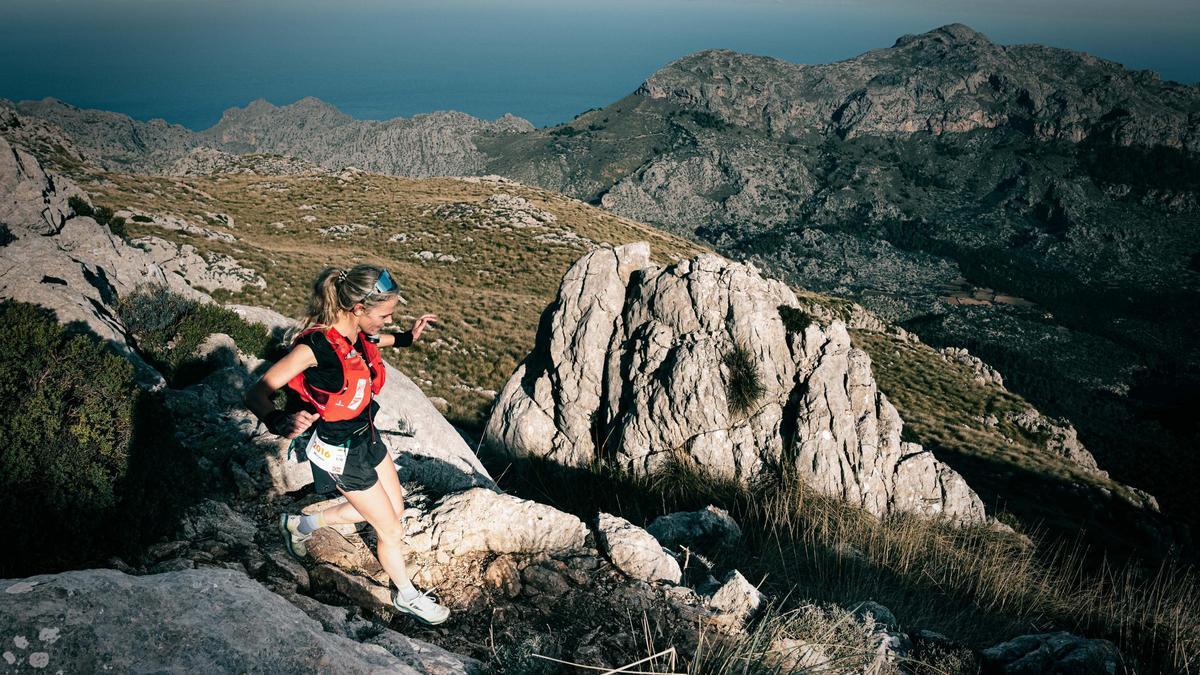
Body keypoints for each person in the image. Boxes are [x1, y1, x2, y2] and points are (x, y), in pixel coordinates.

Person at [244, 264, 449, 625]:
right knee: (390, 529)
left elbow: (377, 342)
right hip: (340, 451)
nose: (388, 321)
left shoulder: (357, 334)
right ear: (358, 308)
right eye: (384, 315)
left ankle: (301, 525)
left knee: (394, 510)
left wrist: (407, 337)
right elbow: (257, 392)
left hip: (366, 435)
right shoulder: (315, 348)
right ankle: (406, 596)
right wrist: (278, 420)